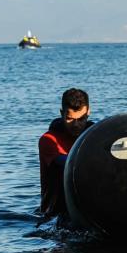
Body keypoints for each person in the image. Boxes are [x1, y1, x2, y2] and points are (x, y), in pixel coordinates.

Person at [38, 88, 93, 223]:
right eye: (70, 119)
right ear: (62, 113)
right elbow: (68, 162)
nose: (76, 125)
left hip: (86, 206)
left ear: (88, 112)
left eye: (81, 119)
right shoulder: (48, 140)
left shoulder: (93, 136)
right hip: (55, 212)